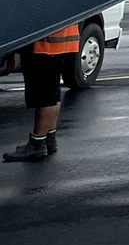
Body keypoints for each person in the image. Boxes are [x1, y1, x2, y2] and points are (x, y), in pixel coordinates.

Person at [3, 23, 81, 162]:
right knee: (53, 92)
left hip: (45, 44)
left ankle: (37, 143)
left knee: (45, 96)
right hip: (63, 42)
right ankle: (49, 139)